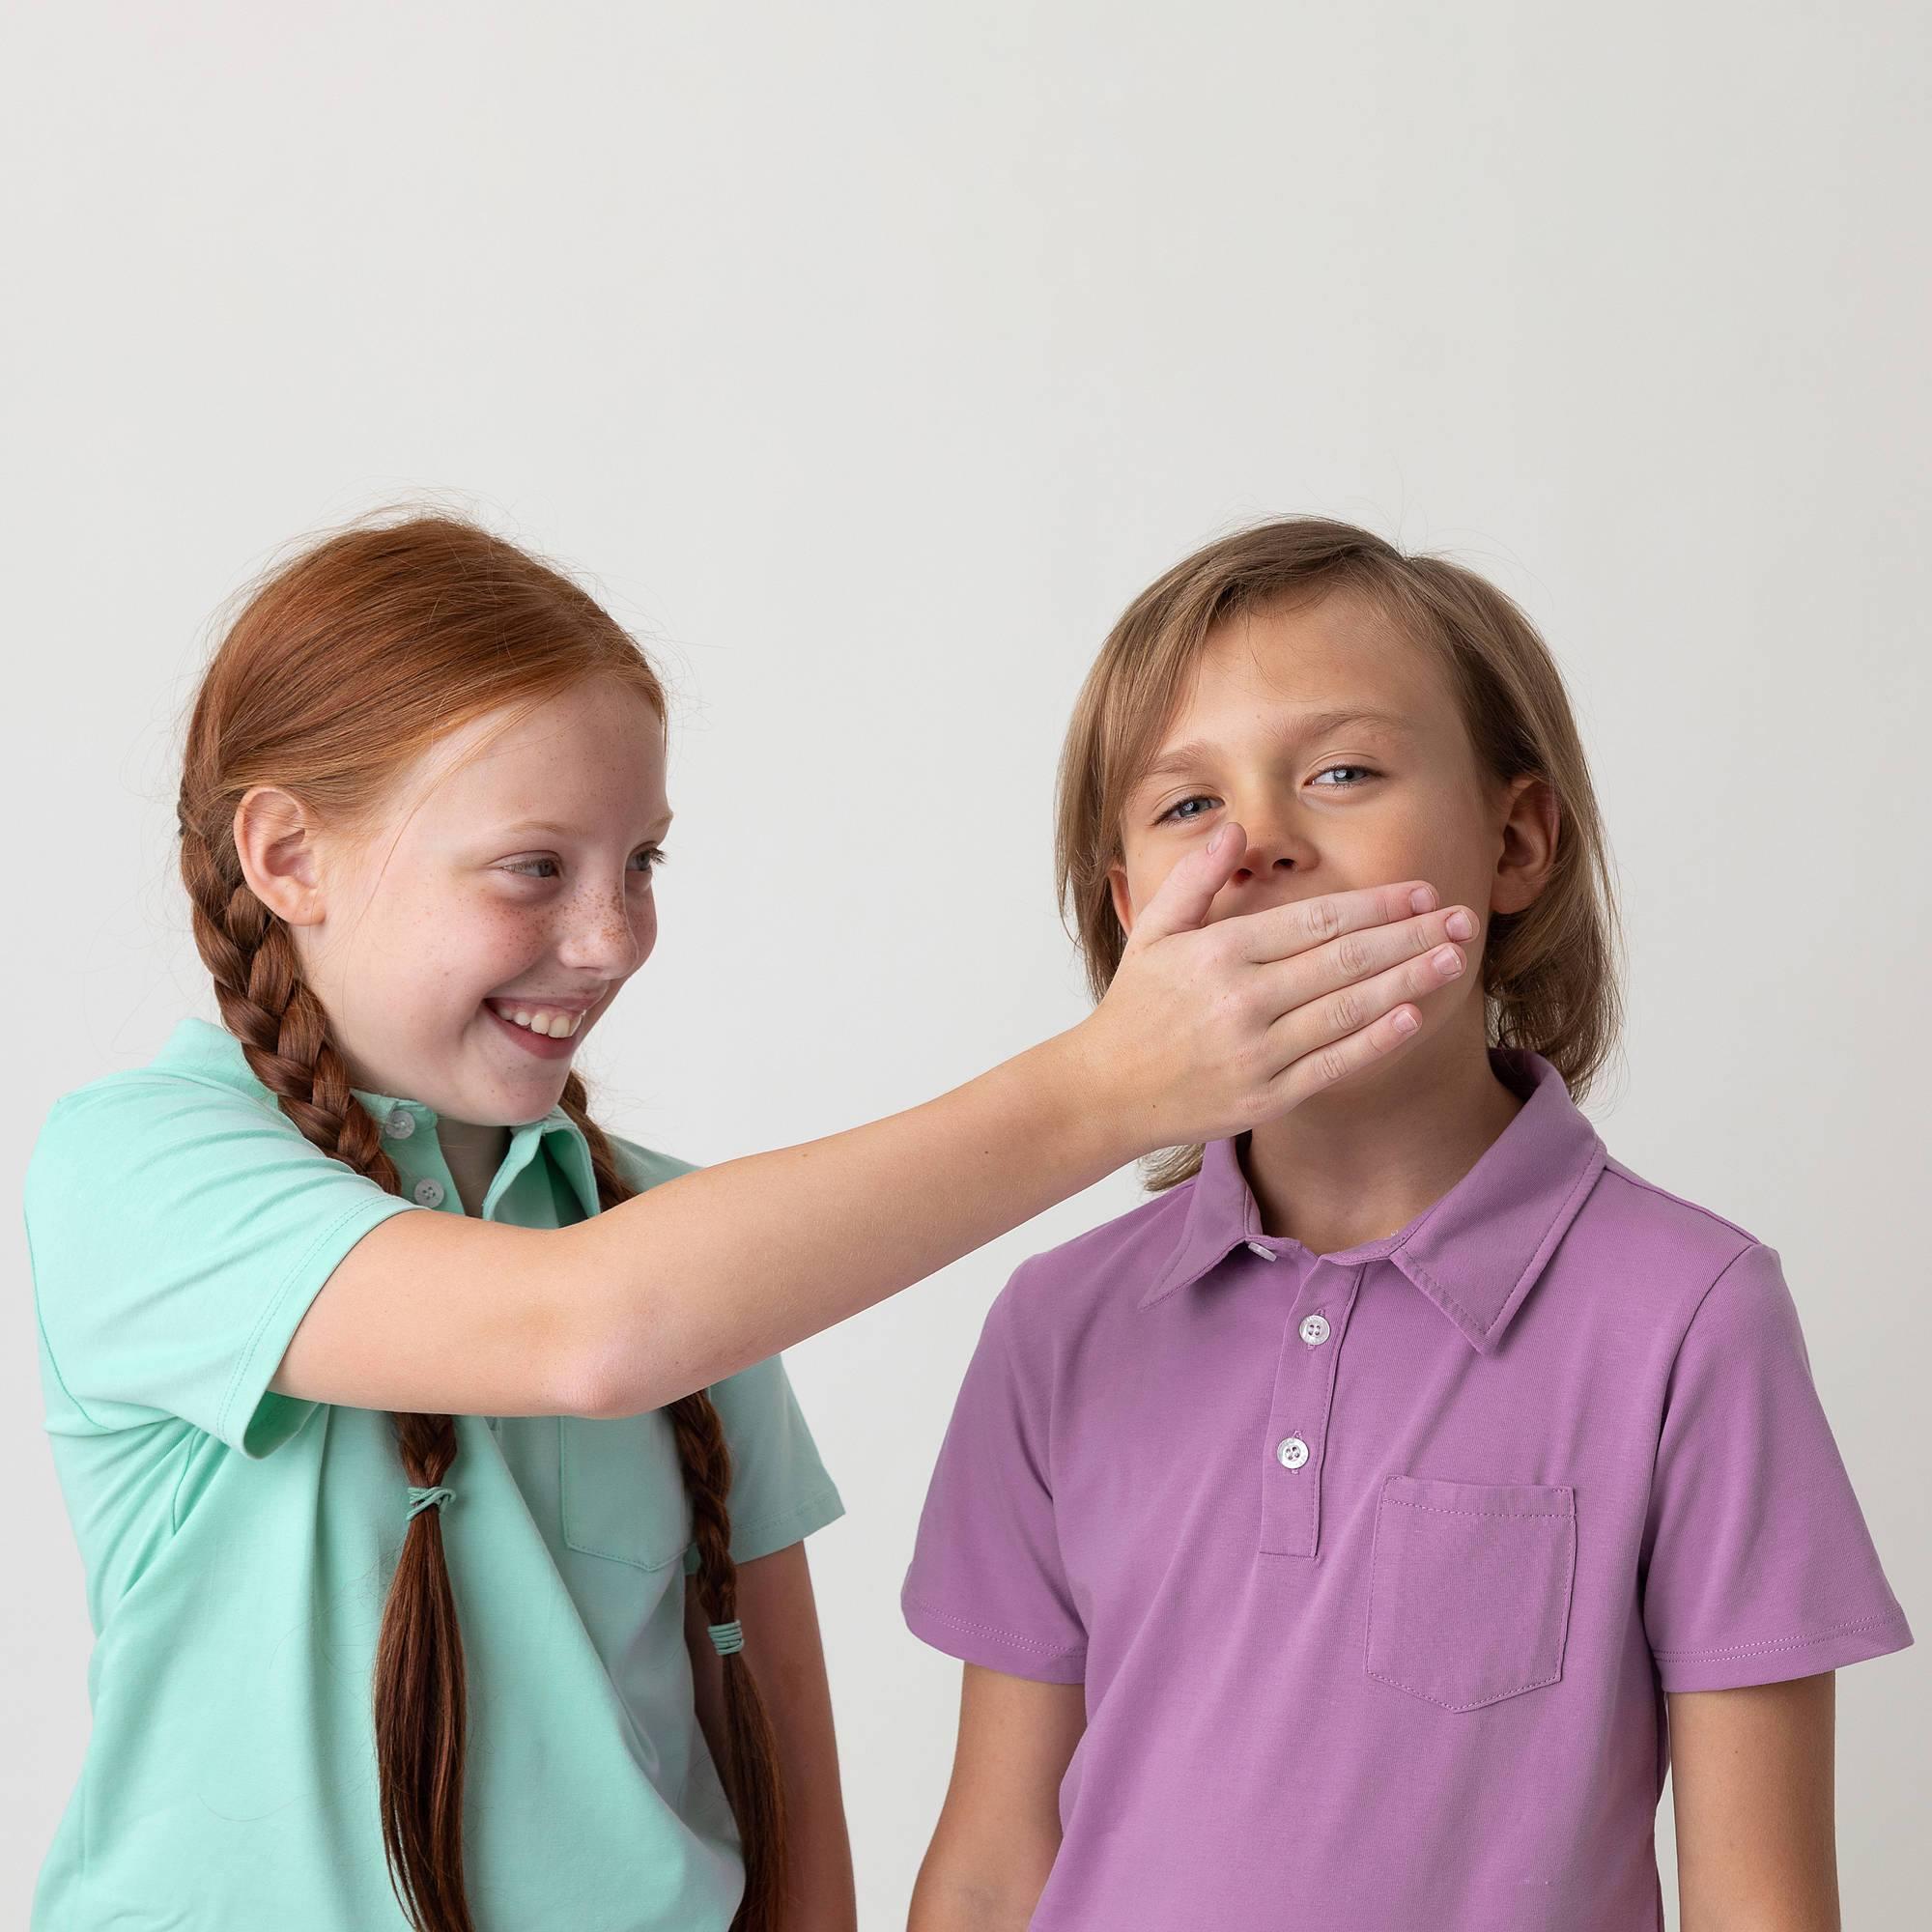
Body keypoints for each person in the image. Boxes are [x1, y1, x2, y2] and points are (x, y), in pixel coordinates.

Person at [20, 511, 1475, 1932]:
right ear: (289, 859)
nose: (611, 940)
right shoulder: (139, 1169)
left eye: (641, 863)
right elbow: (584, 1332)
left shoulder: (676, 1238)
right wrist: (1108, 1086)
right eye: (536, 867)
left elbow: (782, 1771)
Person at [901, 516, 1916, 1931]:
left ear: (1515, 843)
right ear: (1135, 911)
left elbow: (1762, 1899)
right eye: (1186, 805)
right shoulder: (1058, 1326)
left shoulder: (1693, 1315)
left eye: (1343, 772)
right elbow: (992, 1862)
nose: (1257, 844)